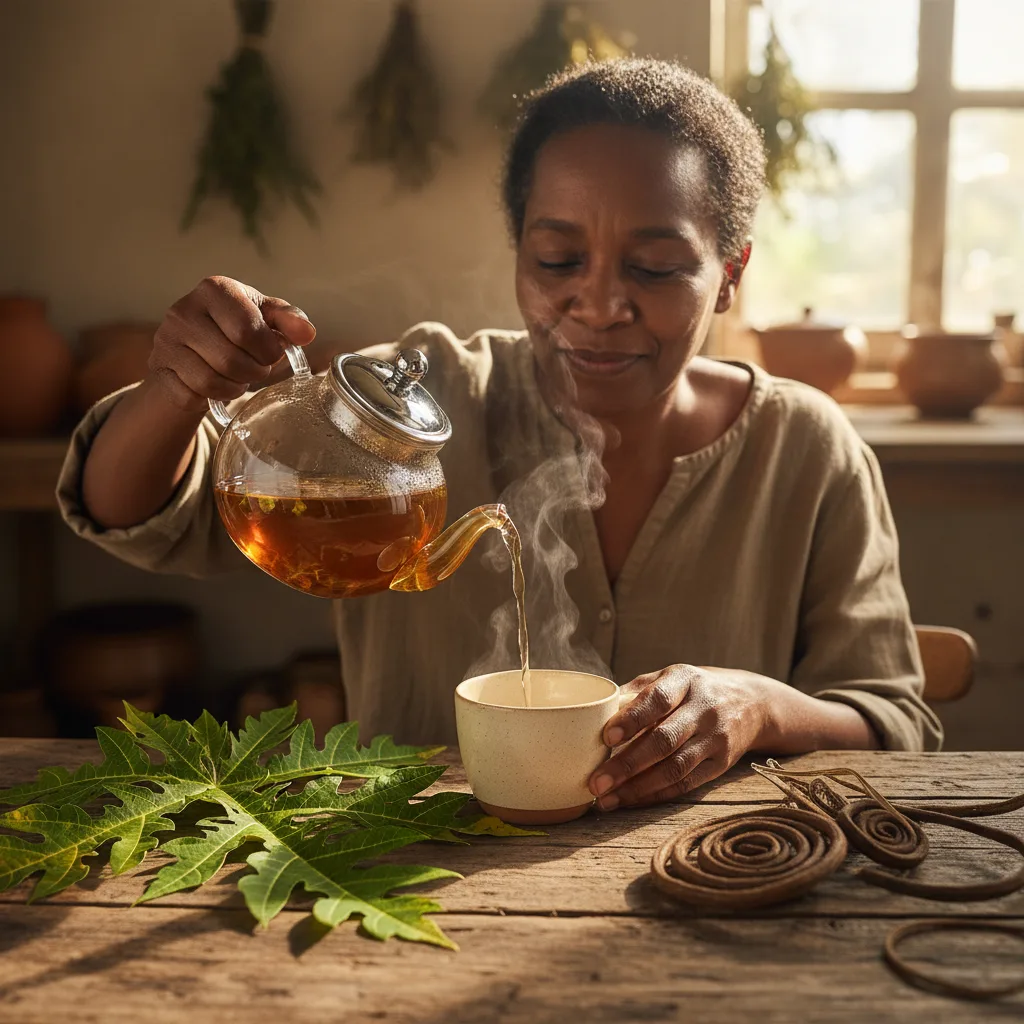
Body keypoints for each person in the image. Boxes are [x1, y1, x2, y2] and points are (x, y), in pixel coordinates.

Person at [58, 58, 942, 813]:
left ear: (729, 274)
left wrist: (758, 706)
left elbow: (896, 724)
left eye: (656, 267)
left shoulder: (805, 451)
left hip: (716, 886)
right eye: (558, 261)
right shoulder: (416, 399)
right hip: (413, 879)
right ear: (518, 247)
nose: (597, 306)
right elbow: (146, 517)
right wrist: (177, 389)